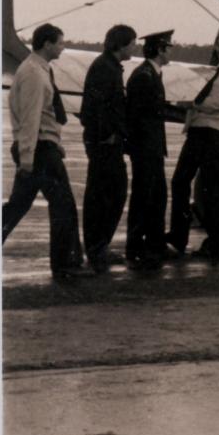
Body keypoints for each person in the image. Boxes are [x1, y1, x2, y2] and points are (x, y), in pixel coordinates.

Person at [1, 23, 91, 278]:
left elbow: (42, 116)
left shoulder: (38, 69)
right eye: (61, 43)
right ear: (48, 44)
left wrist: (55, 143)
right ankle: (65, 265)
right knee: (63, 206)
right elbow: (30, 119)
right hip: (38, 151)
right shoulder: (33, 73)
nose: (63, 47)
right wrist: (28, 158)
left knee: (18, 205)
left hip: (42, 147)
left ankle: (67, 263)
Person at [169, 30, 219, 262]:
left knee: (210, 190)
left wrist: (191, 102)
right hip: (197, 132)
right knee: (180, 182)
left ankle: (214, 244)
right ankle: (178, 237)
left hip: (213, 134)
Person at [80, 24, 136, 273]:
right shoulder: (105, 68)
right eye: (132, 43)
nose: (134, 47)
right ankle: (97, 248)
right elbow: (94, 108)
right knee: (106, 195)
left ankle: (99, 246)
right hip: (104, 144)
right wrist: (107, 135)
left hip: (105, 142)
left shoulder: (109, 66)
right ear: (121, 45)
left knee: (107, 195)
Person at [126, 30, 174, 269]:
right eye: (169, 47)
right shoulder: (144, 76)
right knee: (143, 197)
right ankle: (135, 246)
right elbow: (137, 116)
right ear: (160, 50)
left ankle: (155, 243)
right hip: (145, 148)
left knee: (157, 196)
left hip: (152, 148)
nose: (171, 51)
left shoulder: (152, 73)